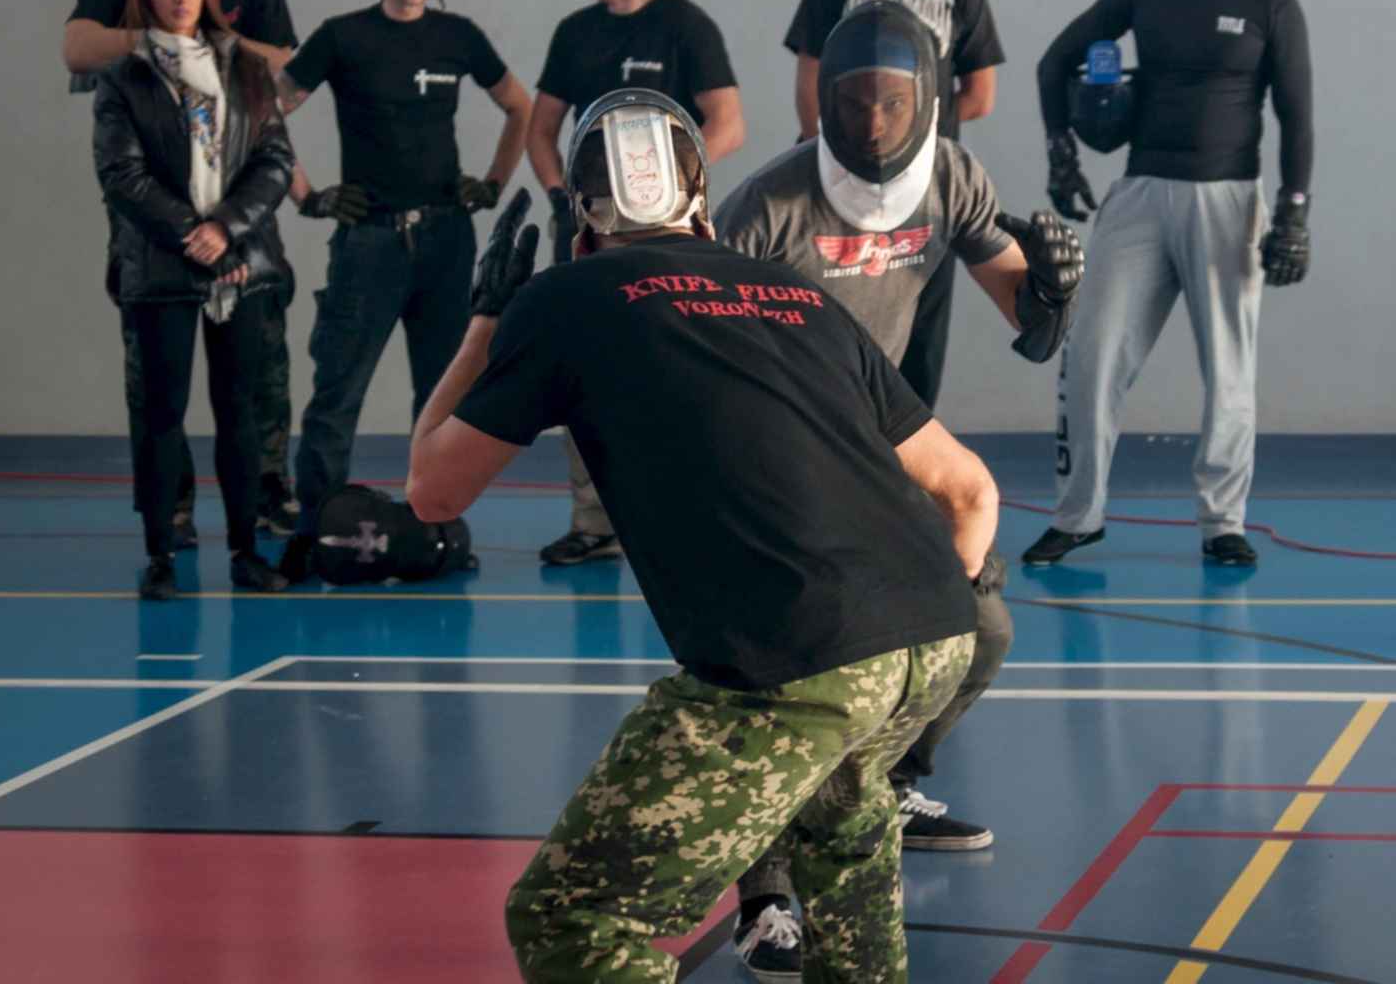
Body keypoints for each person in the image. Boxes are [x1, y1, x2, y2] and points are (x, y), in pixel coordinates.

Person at [406, 90, 995, 983]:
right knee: (843, 828)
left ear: (581, 220)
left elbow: (431, 492)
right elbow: (971, 490)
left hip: (802, 656)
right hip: (936, 634)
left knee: (571, 920)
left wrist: (487, 319)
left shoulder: (567, 297)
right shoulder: (797, 295)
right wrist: (896, 621)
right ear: (701, 204)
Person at [714, 0, 1082, 977]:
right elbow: (693, 347)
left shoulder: (951, 175)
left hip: (881, 444)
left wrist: (1051, 291)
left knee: (981, 627)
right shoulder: (769, 204)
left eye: (891, 99)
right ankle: (763, 893)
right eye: (853, 100)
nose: (873, 120)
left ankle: (879, 784)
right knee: (781, 668)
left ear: (926, 102)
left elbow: (1029, 321)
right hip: (772, 453)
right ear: (824, 100)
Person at [1024, 0, 1313, 568]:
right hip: (1140, 195)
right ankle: (1079, 514)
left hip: (1229, 201)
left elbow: (1297, 116)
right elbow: (1052, 62)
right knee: (1089, 357)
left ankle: (1224, 522)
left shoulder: (1270, 2)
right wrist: (1062, 154)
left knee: (1230, 373)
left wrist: (1294, 213)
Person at [273, 0, 531, 579]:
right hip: (370, 240)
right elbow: (266, 111)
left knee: (442, 397)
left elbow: (521, 107)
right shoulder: (344, 36)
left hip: (446, 238)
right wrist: (306, 195)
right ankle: (312, 530)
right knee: (338, 393)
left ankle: (435, 530)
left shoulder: (457, 37)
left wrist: (496, 181)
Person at [64, 0, 302, 547]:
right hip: (156, 214)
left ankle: (265, 494)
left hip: (238, 212)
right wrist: (162, 44)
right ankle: (168, 518)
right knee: (157, 387)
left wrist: (213, 46)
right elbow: (77, 48)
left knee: (257, 376)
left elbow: (285, 71)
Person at [524, 0, 745, 567]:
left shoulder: (685, 27)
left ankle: (694, 514)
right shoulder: (575, 33)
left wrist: (669, 192)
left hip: (670, 237)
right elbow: (540, 130)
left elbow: (729, 123)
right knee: (588, 371)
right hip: (592, 237)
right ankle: (596, 521)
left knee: (683, 369)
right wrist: (569, 196)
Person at [93, 0, 295, 599]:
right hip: (160, 271)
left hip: (238, 268)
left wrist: (225, 229)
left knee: (239, 413)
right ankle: (161, 556)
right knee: (160, 415)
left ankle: (244, 551)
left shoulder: (249, 72)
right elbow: (122, 175)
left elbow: (274, 160)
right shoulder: (124, 77)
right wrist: (190, 234)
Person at [785, 0, 1006, 407]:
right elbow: (810, 80)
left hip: (926, 190)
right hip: (837, 183)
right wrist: (836, 142)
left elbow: (979, 96)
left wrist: (906, 130)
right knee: (831, 312)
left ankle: (910, 463)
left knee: (921, 327)